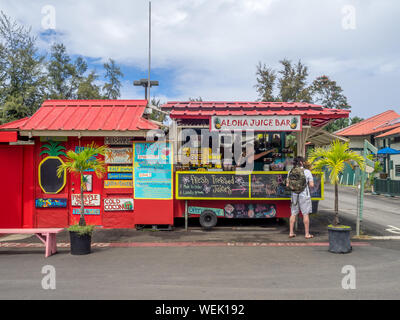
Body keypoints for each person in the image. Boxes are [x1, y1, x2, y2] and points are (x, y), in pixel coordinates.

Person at [286, 156, 314, 239]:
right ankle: (307, 234)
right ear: (302, 162)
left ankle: (291, 232)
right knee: (305, 214)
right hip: (304, 195)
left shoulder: (290, 171)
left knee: (293, 213)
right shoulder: (307, 172)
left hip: (294, 195)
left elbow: (288, 185)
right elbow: (311, 185)